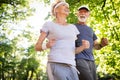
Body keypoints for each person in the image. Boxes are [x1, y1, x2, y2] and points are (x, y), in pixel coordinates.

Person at [35, 1, 81, 80]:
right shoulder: (49, 25)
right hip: (56, 63)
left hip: (72, 65)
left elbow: (74, 50)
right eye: (64, 5)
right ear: (56, 10)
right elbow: (37, 47)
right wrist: (47, 45)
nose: (67, 7)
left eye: (67, 6)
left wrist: (83, 47)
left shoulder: (73, 27)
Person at [75, 5, 109, 80]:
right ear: (77, 14)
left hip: (91, 60)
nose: (83, 13)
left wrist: (102, 45)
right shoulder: (73, 27)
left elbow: (96, 45)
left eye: (85, 12)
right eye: (80, 12)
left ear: (88, 14)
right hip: (79, 59)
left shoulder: (90, 30)